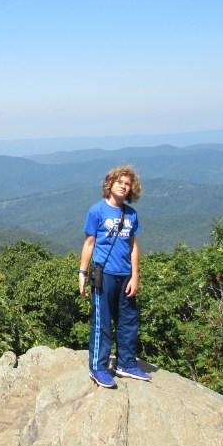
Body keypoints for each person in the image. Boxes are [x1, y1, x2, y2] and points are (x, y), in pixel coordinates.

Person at [78, 165, 150, 388]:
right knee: (103, 323)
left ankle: (126, 363)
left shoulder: (131, 214)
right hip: (104, 274)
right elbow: (89, 243)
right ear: (109, 184)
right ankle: (98, 367)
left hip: (125, 275)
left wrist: (135, 275)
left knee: (128, 321)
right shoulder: (97, 211)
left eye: (127, 184)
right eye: (119, 181)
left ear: (131, 189)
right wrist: (82, 272)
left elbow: (133, 247)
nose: (123, 186)